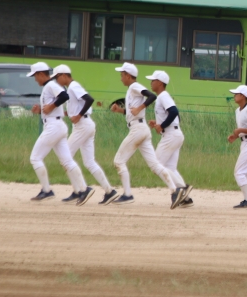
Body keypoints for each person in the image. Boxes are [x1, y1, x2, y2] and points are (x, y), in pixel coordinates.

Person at [110, 62, 185, 209]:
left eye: (122, 75)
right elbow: (133, 113)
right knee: (155, 165)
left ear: (128, 76)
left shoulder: (134, 86)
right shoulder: (132, 90)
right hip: (142, 128)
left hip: (138, 130)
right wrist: (120, 110)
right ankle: (175, 191)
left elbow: (151, 96)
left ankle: (127, 195)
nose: (121, 78)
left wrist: (140, 107)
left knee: (118, 161)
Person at [52, 65, 118, 205]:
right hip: (86, 125)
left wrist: (79, 115)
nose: (56, 81)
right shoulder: (71, 88)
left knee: (65, 157)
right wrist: (68, 114)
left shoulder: (73, 86)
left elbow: (89, 99)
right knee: (89, 162)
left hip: (82, 126)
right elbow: (76, 107)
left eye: (57, 77)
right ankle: (109, 191)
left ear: (63, 75)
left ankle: (82, 190)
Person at [27, 62, 90, 204]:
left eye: (35, 76)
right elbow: (53, 105)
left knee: (35, 158)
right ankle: (83, 189)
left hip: (53, 127)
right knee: (67, 160)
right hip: (57, 125)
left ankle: (46, 190)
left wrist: (51, 106)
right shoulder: (49, 87)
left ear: (41, 74)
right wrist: (41, 110)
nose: (35, 79)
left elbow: (64, 96)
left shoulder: (50, 85)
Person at [146, 70, 193, 209]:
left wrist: (162, 125)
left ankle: (180, 189)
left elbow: (174, 112)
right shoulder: (163, 97)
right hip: (174, 134)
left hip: (171, 135)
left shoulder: (163, 96)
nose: (151, 82)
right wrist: (159, 123)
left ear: (160, 83)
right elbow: (175, 116)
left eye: (153, 80)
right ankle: (185, 199)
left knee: (155, 165)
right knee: (170, 168)